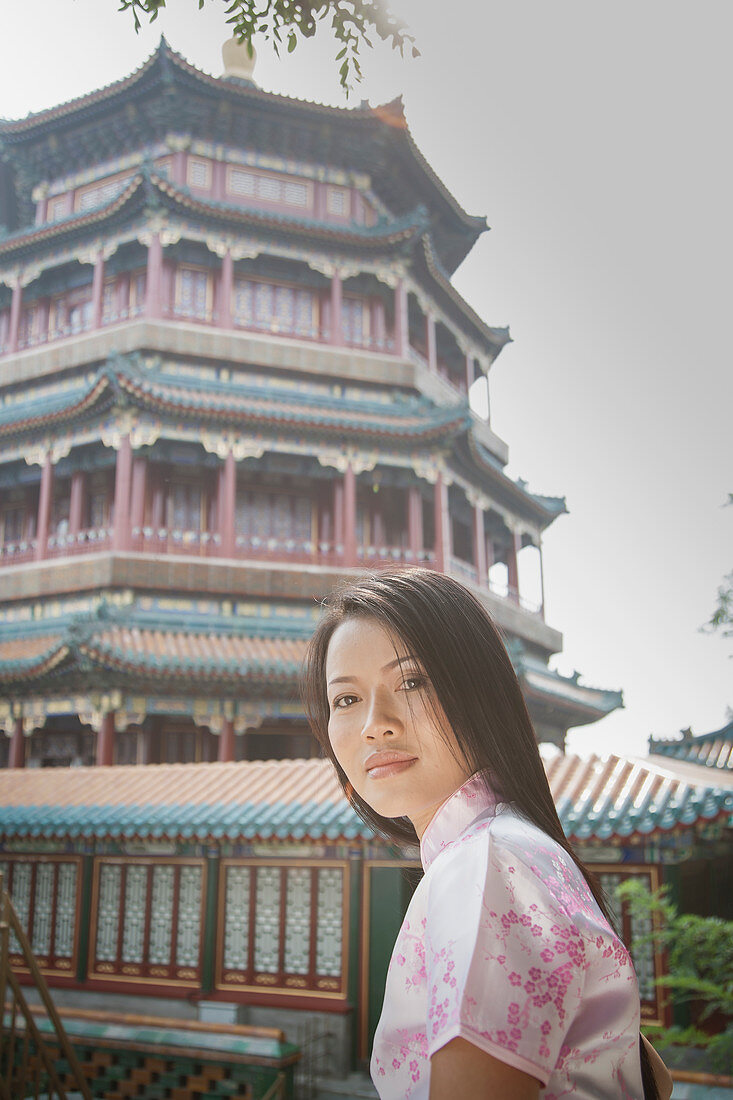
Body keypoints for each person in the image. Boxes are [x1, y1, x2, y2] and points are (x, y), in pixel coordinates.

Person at [302, 568, 672, 1100]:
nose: (373, 724)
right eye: (345, 699)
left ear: (478, 693)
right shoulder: (517, 848)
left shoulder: (486, 863)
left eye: (411, 681)